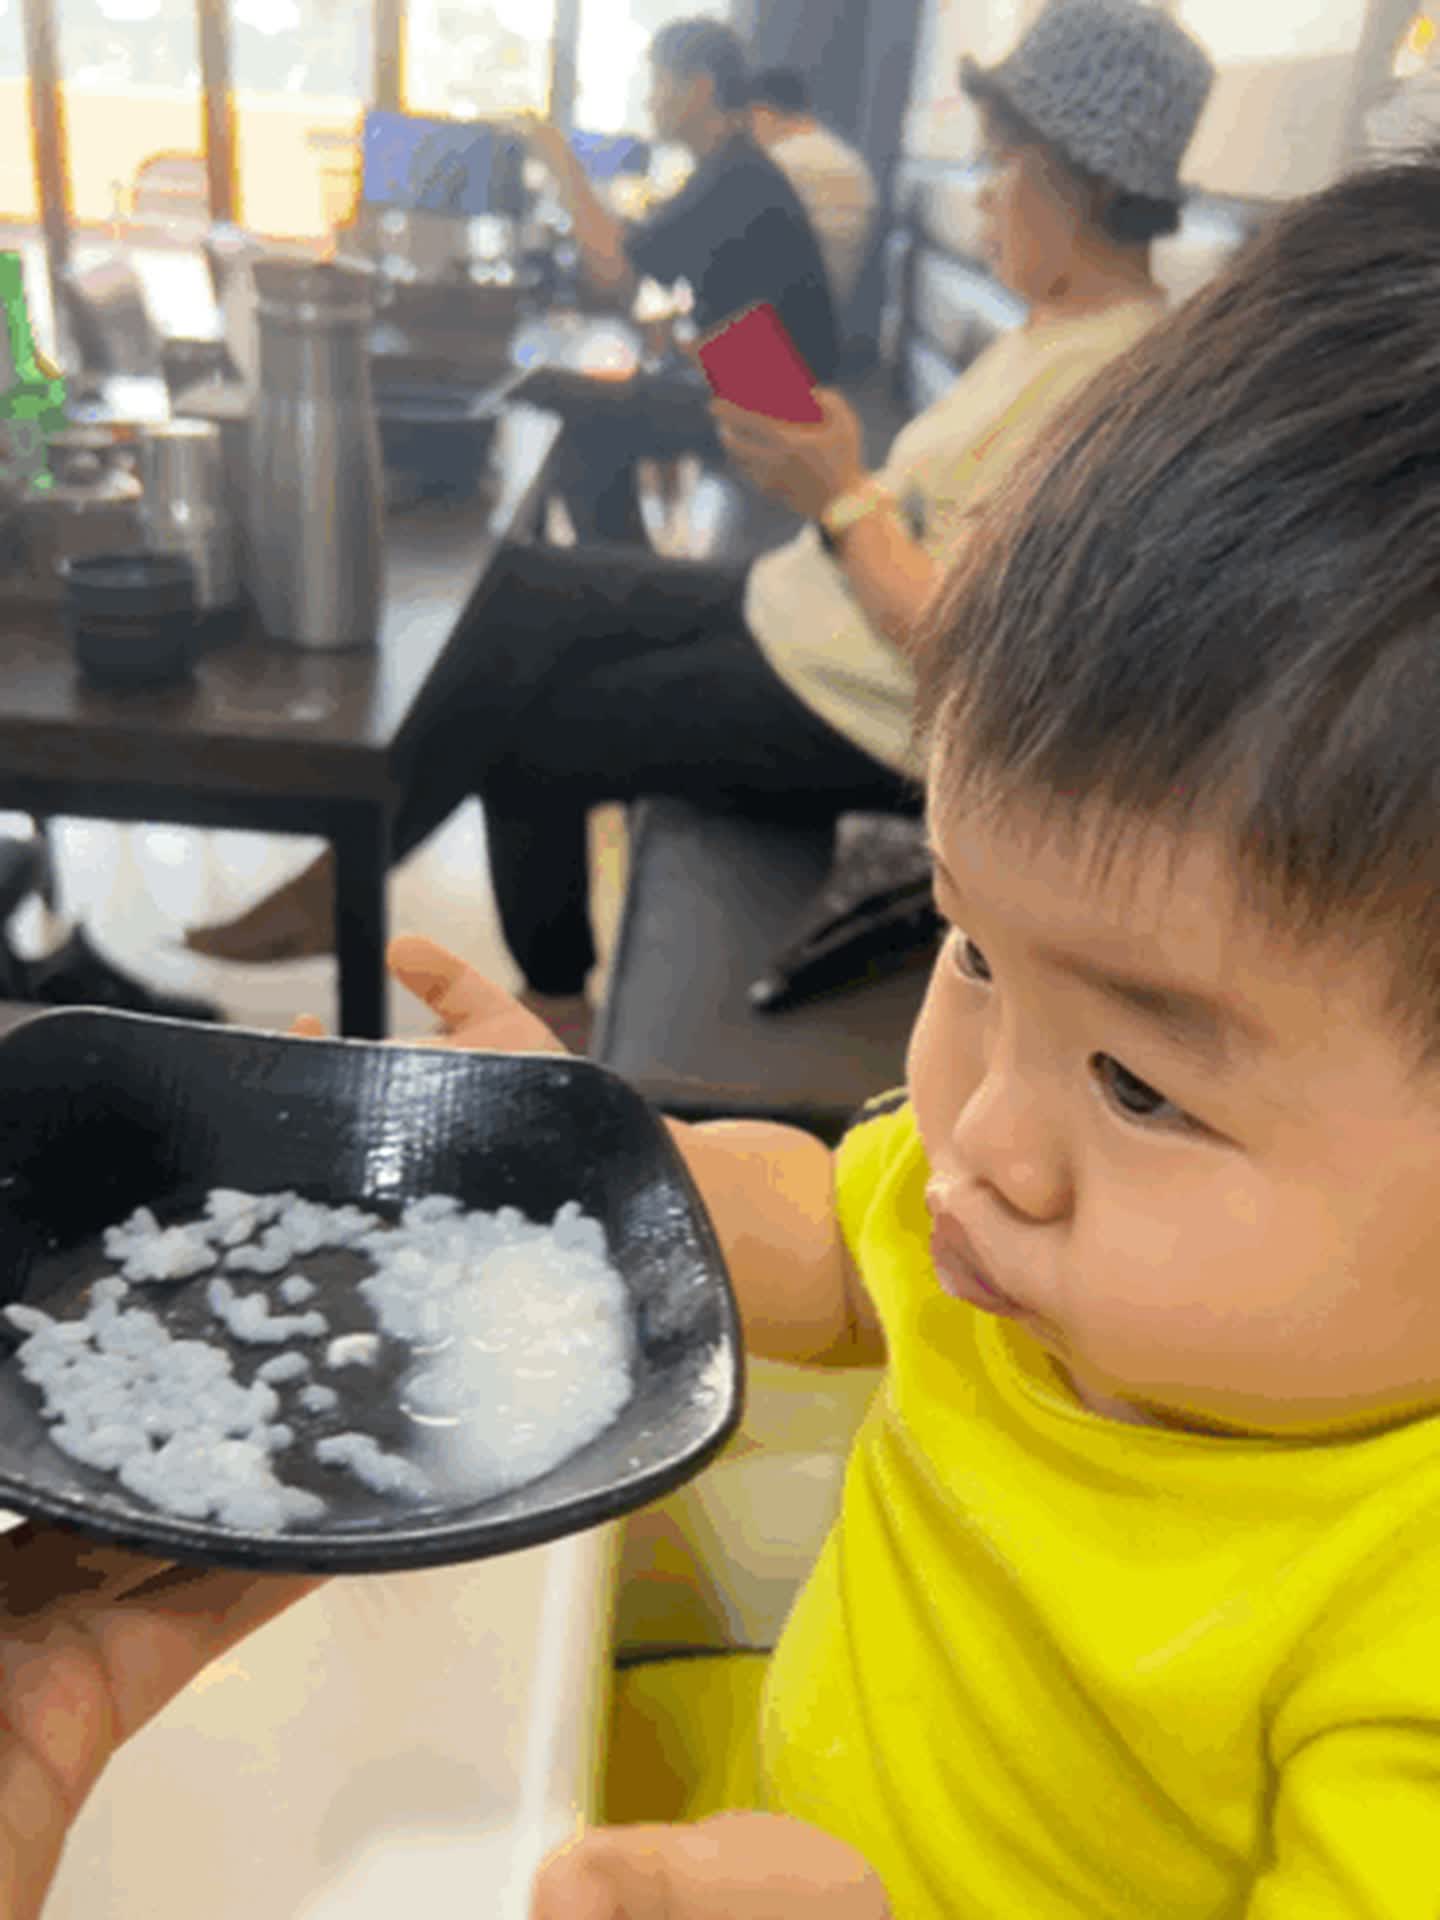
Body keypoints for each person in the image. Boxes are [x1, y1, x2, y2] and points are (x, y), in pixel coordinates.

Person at [183, 0, 1212, 1067]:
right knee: (524, 582)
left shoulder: (1113, 384)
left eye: (1003, 164)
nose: (985, 193)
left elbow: (974, 656)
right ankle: (357, 857)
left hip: (863, 707)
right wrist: (845, 473)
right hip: (811, 612)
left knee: (532, 732)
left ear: (1085, 181)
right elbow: (935, 518)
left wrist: (840, 492)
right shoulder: (1056, 330)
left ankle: (541, 1003)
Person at [515, 17, 838, 546]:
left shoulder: (733, 177)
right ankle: (615, 572)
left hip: (772, 407)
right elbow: (635, 269)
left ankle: (615, 577)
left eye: (659, 82)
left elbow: (613, 272)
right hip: (764, 388)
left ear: (700, 88)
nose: (650, 101)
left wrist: (562, 164)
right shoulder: (732, 169)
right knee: (582, 407)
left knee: (566, 406)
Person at [747, 67, 878, 312]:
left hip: (778, 318)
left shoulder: (783, 162)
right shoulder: (844, 157)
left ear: (762, 113)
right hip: (828, 309)